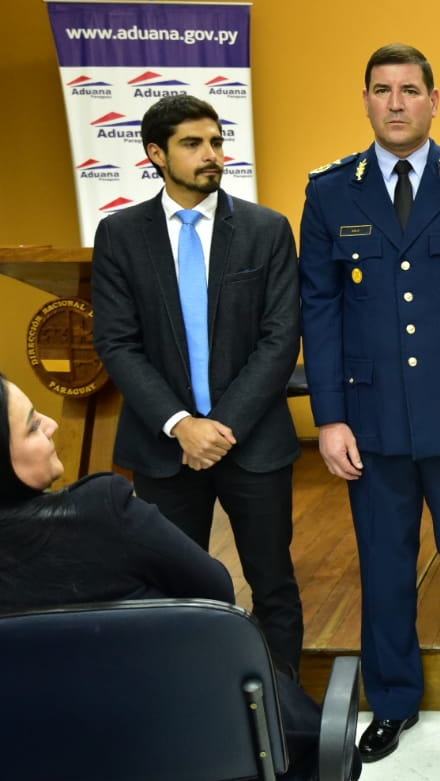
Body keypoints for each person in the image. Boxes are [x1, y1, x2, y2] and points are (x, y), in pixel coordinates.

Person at [298, 43, 440, 762]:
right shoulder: (331, 190)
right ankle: (391, 700)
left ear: (434, 100)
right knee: (384, 566)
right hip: (372, 420)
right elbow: (318, 309)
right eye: (382, 89)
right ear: (366, 99)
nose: (396, 103)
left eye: (410, 90)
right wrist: (329, 417)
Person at [0, 374, 355, 781]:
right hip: (180, 744)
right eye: (32, 426)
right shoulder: (105, 512)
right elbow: (214, 594)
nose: (51, 424)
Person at [92, 93, 304, 677]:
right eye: (193, 144)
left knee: (274, 584)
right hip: (164, 450)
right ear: (156, 154)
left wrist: (221, 427)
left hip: (254, 444)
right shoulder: (120, 234)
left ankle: (286, 712)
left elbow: (281, 337)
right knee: (176, 591)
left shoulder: (266, 229)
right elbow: (117, 342)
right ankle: (196, 710)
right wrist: (181, 425)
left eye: (215, 141)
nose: (211, 154)